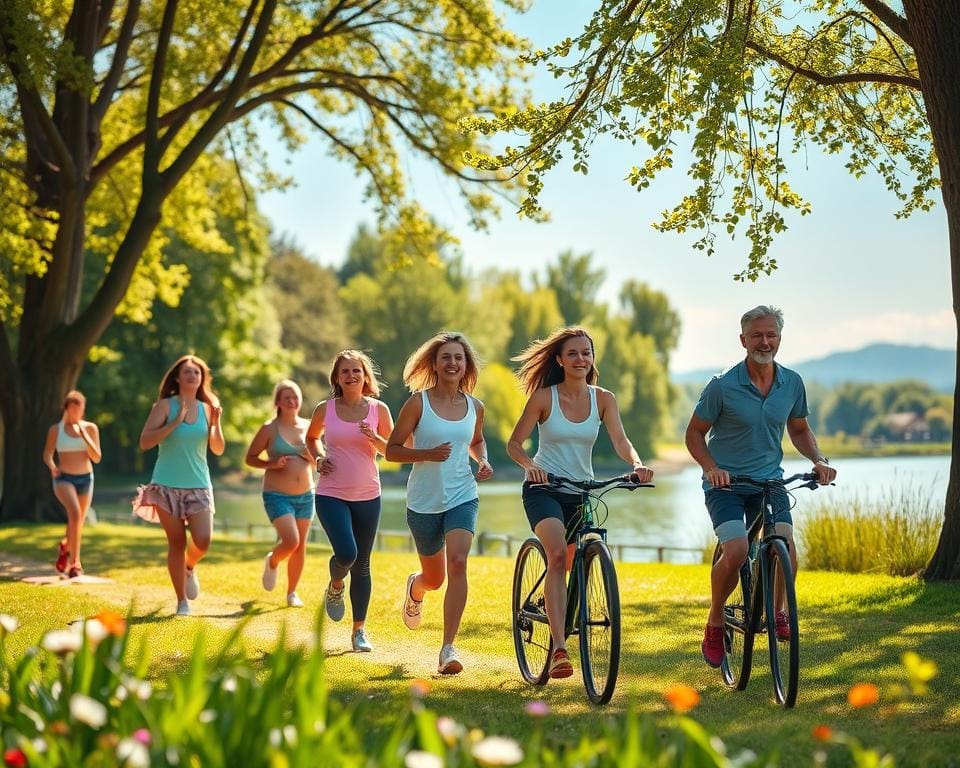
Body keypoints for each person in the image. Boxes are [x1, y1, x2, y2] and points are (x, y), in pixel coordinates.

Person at [685, 305, 837, 668]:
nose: (764, 341)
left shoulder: (792, 383)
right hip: (726, 485)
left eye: (771, 335)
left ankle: (779, 611)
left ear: (780, 338)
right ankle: (716, 618)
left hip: (770, 481)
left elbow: (799, 429)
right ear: (743, 340)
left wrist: (819, 460)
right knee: (736, 552)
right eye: (757, 335)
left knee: (782, 540)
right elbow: (693, 434)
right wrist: (711, 468)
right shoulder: (722, 385)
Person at [506, 326, 654, 680]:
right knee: (557, 555)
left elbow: (620, 440)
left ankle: (552, 602)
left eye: (586, 353)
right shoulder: (545, 397)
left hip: (581, 491)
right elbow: (515, 444)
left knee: (575, 558)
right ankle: (559, 648)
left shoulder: (604, 399)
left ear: (592, 359)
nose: (580, 359)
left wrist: (635, 464)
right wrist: (531, 467)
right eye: (572, 353)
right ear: (559, 359)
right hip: (544, 490)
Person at [386, 331, 493, 675]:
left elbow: (477, 441)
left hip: (463, 495)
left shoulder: (475, 407)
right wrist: (426, 454)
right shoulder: (418, 403)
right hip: (423, 502)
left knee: (458, 563)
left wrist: (483, 460)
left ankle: (448, 648)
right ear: (434, 363)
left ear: (466, 366)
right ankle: (416, 588)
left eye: (458, 358)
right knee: (435, 578)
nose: (452, 363)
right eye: (445, 357)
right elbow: (391, 450)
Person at [306, 351, 394, 652]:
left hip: (368, 495)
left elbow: (392, 449)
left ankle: (358, 632)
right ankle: (335, 584)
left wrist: (375, 438)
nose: (351, 376)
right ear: (337, 378)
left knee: (363, 564)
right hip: (331, 493)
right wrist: (318, 458)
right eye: (345, 371)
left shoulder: (378, 410)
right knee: (347, 554)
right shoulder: (325, 409)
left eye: (356, 370)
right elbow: (311, 438)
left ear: (365, 376)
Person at [133, 355, 225, 616]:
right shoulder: (164, 406)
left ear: (201, 379)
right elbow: (145, 442)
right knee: (176, 543)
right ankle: (182, 601)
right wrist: (174, 422)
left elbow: (217, 449)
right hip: (166, 485)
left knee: (203, 540)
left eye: (196, 373)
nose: (192, 376)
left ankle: (189, 567)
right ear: (177, 377)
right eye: (187, 372)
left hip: (198, 485)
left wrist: (216, 424)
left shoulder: (208, 409)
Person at [245, 380, 315, 609]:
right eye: (287, 398)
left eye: (295, 397)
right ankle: (273, 560)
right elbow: (251, 458)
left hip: (306, 495)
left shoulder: (310, 427)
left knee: (300, 545)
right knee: (291, 541)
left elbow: (320, 460)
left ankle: (292, 592)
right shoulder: (269, 428)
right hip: (277, 495)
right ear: (278, 403)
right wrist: (273, 463)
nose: (292, 402)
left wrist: (310, 457)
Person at [42, 390, 102, 578]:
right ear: (66, 409)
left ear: (83, 409)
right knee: (75, 514)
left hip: (86, 479)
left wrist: (86, 438)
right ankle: (75, 564)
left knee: (78, 522)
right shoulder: (56, 430)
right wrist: (52, 466)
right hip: (63, 479)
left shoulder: (91, 428)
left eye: (79, 408)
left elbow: (97, 457)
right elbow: (48, 453)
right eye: (72, 408)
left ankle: (66, 547)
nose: (76, 412)